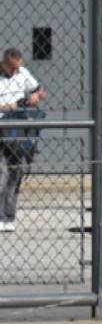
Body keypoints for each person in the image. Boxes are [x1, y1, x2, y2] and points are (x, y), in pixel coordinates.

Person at [0, 48, 47, 233]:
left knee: (16, 171)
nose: (15, 71)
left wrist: (36, 96)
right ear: (4, 63)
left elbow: (41, 91)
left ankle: (8, 216)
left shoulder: (23, 73)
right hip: (1, 124)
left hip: (17, 127)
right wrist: (8, 106)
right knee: (1, 173)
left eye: (18, 67)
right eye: (12, 68)